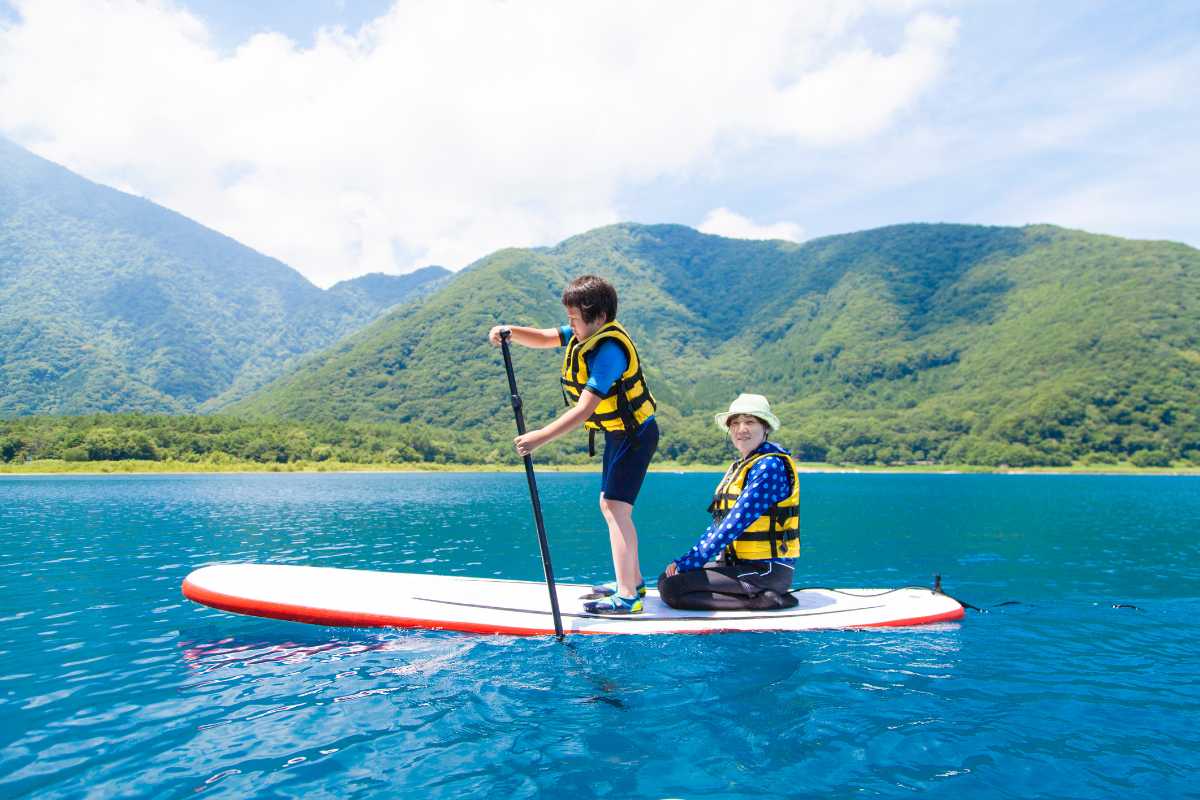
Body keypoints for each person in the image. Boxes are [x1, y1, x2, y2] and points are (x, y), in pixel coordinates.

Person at [488, 275, 659, 615]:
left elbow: (584, 410)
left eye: (574, 319)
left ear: (598, 317)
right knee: (609, 505)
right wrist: (510, 331)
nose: (570, 326)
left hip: (636, 435)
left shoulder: (609, 351)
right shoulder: (588, 334)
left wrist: (540, 437)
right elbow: (545, 337)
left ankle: (628, 597)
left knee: (616, 508)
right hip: (617, 433)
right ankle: (633, 581)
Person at [658, 394, 800, 610]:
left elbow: (734, 523)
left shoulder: (770, 466)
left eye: (750, 422)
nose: (741, 428)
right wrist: (686, 560)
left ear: (765, 428)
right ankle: (754, 597)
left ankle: (766, 600)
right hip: (737, 565)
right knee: (666, 580)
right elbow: (718, 523)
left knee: (674, 589)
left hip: (767, 571)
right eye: (735, 423)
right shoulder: (740, 466)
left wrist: (692, 562)